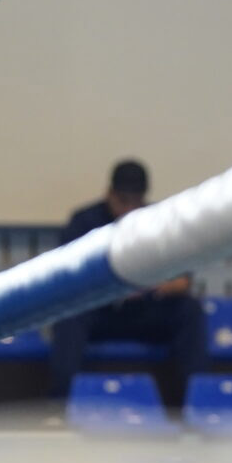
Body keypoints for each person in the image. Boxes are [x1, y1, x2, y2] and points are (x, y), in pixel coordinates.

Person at [47, 159, 204, 401]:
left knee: (189, 310)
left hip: (144, 309)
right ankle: (61, 405)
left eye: (136, 202)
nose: (128, 210)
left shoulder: (159, 221)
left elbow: (183, 281)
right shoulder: (84, 222)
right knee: (68, 316)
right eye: (123, 201)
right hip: (99, 312)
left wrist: (153, 284)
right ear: (109, 194)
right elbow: (64, 279)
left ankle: (197, 402)